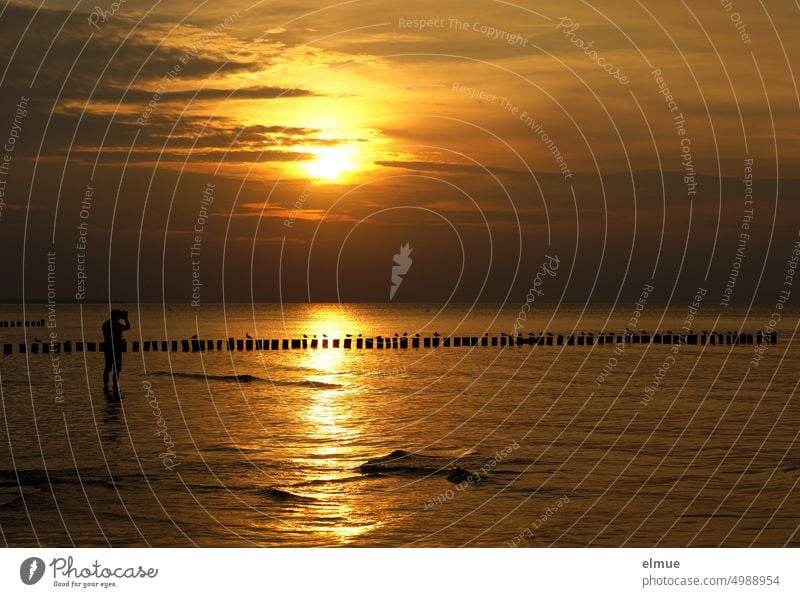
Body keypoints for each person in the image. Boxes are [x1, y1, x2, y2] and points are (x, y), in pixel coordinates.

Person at [102, 309, 130, 392]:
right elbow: (127, 327)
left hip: (107, 348)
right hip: (116, 349)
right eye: (118, 315)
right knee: (116, 369)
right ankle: (115, 386)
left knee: (107, 368)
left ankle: (106, 386)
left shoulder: (105, 324)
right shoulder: (117, 325)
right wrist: (125, 318)